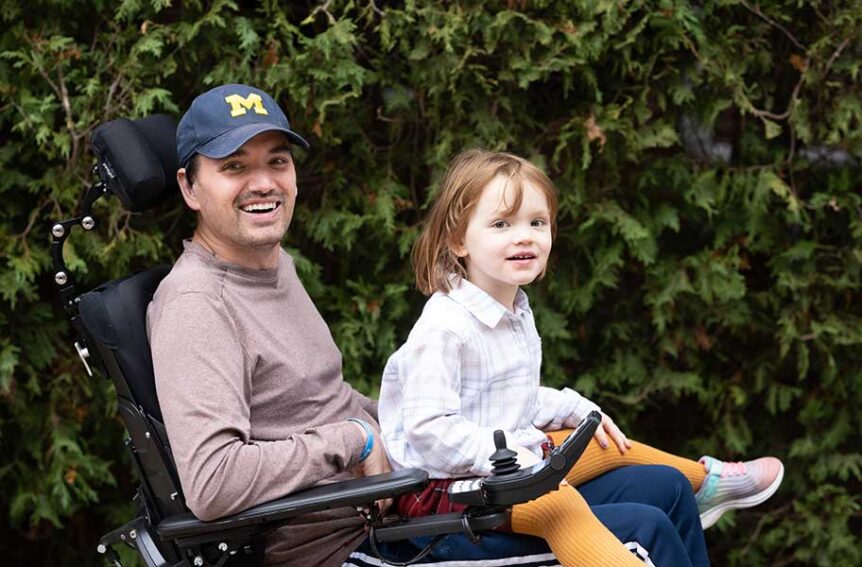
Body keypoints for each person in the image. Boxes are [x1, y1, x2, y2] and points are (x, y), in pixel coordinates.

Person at [150, 83, 655, 567]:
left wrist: (408, 423)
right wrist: (358, 440)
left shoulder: (271, 266)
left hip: (392, 498)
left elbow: (320, 403)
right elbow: (212, 483)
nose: (263, 182)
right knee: (640, 529)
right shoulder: (196, 304)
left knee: (659, 490)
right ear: (189, 187)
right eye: (234, 167)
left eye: (276, 161)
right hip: (340, 547)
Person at [378, 149, 785, 566]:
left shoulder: (514, 310)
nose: (525, 236)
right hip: (446, 495)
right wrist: (517, 456)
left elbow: (507, 399)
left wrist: (572, 407)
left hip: (499, 475)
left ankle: (702, 484)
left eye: (537, 222)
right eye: (502, 224)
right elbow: (430, 430)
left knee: (643, 468)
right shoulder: (446, 326)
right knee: (570, 507)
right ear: (457, 240)